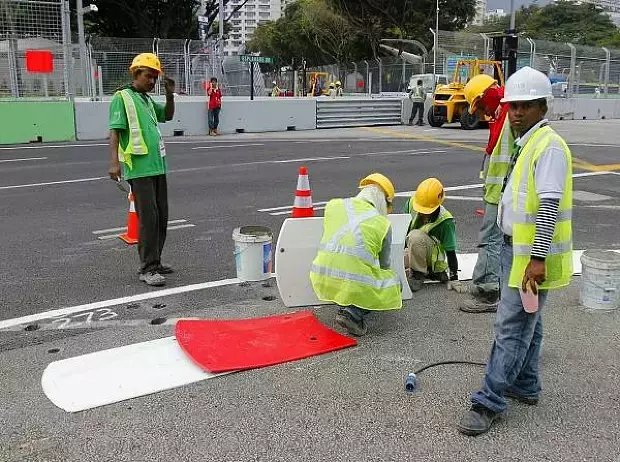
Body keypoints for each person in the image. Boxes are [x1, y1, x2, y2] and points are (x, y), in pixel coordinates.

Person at [456, 67, 573, 436]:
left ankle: (489, 401)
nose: (517, 112)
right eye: (513, 106)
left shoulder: (549, 146)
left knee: (511, 328)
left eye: (525, 106)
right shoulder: (529, 142)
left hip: (528, 257)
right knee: (528, 323)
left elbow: (549, 205)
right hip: (517, 251)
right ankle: (526, 384)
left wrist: (537, 258)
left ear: (542, 107)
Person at [108, 53, 175, 287]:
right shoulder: (122, 98)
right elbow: (115, 131)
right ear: (136, 73)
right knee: (148, 219)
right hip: (139, 168)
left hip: (158, 166)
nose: (152, 82)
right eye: (149, 76)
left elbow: (167, 115)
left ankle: (156, 262)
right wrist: (114, 163)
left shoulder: (146, 100)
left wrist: (169, 94)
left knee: (161, 217)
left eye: (155, 78)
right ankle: (147, 268)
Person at [310, 173, 402, 337]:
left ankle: (344, 302)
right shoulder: (383, 225)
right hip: (349, 281)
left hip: (320, 276)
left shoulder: (334, 206)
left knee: (350, 269)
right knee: (394, 281)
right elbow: (385, 265)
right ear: (384, 201)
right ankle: (353, 313)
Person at [460, 74, 510, 313]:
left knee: (490, 239)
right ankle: (489, 284)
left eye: (479, 106)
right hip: (498, 191)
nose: (481, 113)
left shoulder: (508, 115)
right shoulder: (501, 114)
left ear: (485, 96)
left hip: (500, 193)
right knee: (494, 238)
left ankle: (487, 291)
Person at [402, 178, 461, 292]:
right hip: (416, 250)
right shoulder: (411, 203)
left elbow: (451, 251)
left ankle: (419, 274)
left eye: (427, 210)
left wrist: (454, 278)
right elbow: (404, 230)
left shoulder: (446, 221)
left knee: (415, 236)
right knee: (393, 261)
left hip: (434, 261)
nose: (423, 212)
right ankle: (423, 270)